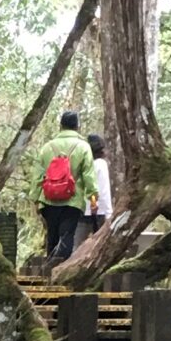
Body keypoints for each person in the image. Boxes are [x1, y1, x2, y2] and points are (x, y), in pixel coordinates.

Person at [34, 110, 97, 265]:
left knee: (52, 237)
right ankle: (59, 272)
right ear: (77, 126)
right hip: (72, 200)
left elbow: (37, 175)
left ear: (60, 125)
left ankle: (48, 273)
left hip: (48, 199)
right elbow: (89, 175)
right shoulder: (83, 147)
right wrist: (93, 199)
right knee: (67, 236)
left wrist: (35, 199)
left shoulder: (47, 147)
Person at [82, 131, 113, 242]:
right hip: (97, 210)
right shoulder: (100, 164)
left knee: (77, 245)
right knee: (99, 243)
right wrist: (109, 213)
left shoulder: (83, 162)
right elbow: (103, 190)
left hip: (82, 209)